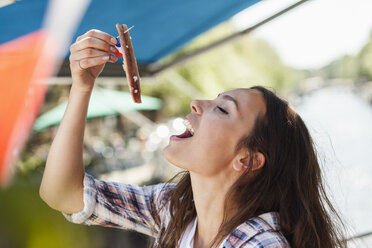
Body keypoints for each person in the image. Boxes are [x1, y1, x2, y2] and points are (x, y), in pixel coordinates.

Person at [39, 29, 347, 248]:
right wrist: (81, 88)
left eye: (223, 109)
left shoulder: (260, 243)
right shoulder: (175, 209)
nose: (197, 104)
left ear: (248, 160)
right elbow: (62, 192)